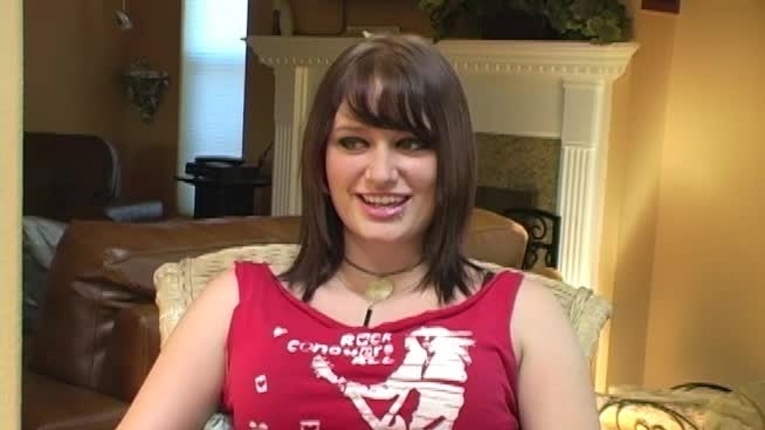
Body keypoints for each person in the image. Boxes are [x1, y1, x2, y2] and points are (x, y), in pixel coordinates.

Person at [117, 33, 599, 429]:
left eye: (411, 143)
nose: (381, 173)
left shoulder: (526, 312)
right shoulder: (236, 301)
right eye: (354, 142)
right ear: (321, 161)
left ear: (450, 161)